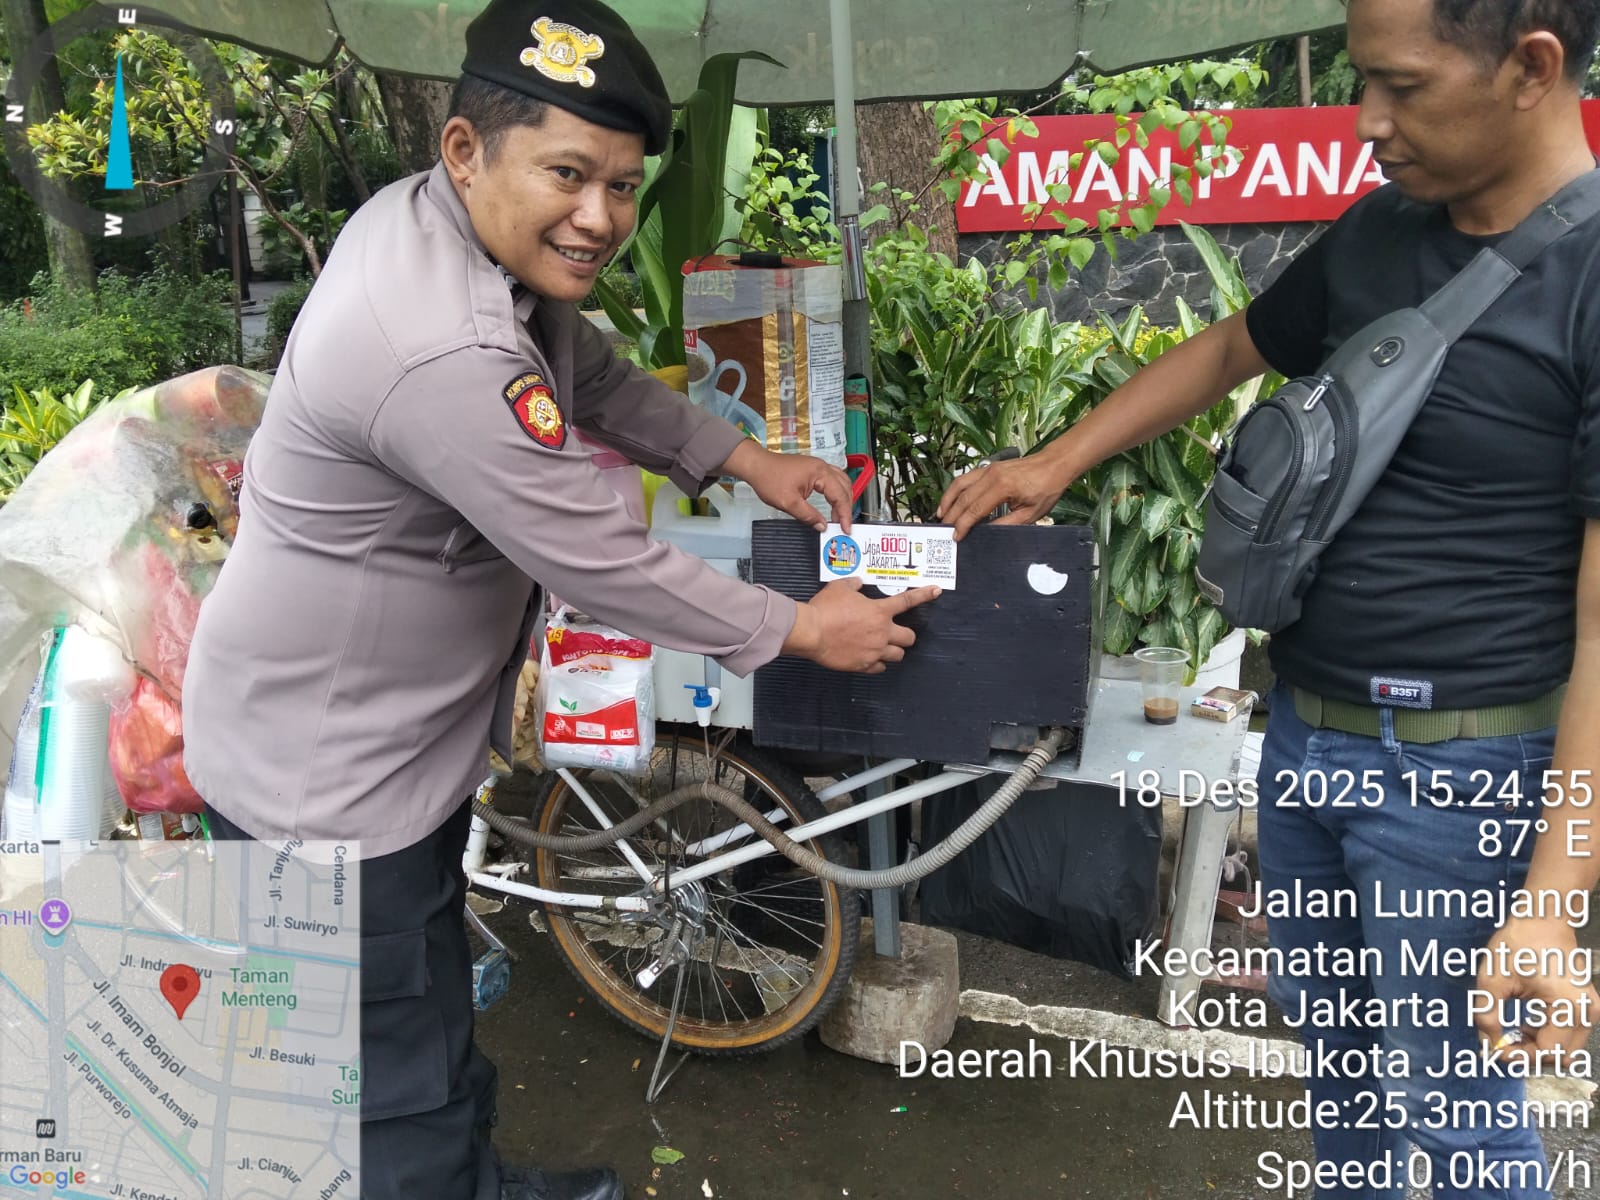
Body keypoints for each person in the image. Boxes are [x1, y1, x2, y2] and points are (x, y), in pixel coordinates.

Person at [182, 2, 937, 1198]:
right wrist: (800, 629)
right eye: (569, 175)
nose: (599, 217)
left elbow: (581, 371)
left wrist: (741, 457)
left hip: (374, 740)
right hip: (327, 780)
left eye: (622, 186)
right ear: (466, 150)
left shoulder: (441, 229)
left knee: (426, 1010)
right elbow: (599, 560)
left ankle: (472, 1178)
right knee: (386, 1081)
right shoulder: (439, 349)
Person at [939, 1, 1600, 1196]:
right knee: (1339, 1084)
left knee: (1453, 1114)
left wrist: (1554, 898)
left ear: (1530, 67)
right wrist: (1053, 464)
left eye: (1401, 86)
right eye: (1360, 83)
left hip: (1464, 777)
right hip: (1303, 743)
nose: (1367, 121)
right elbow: (1231, 347)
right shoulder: (1382, 233)